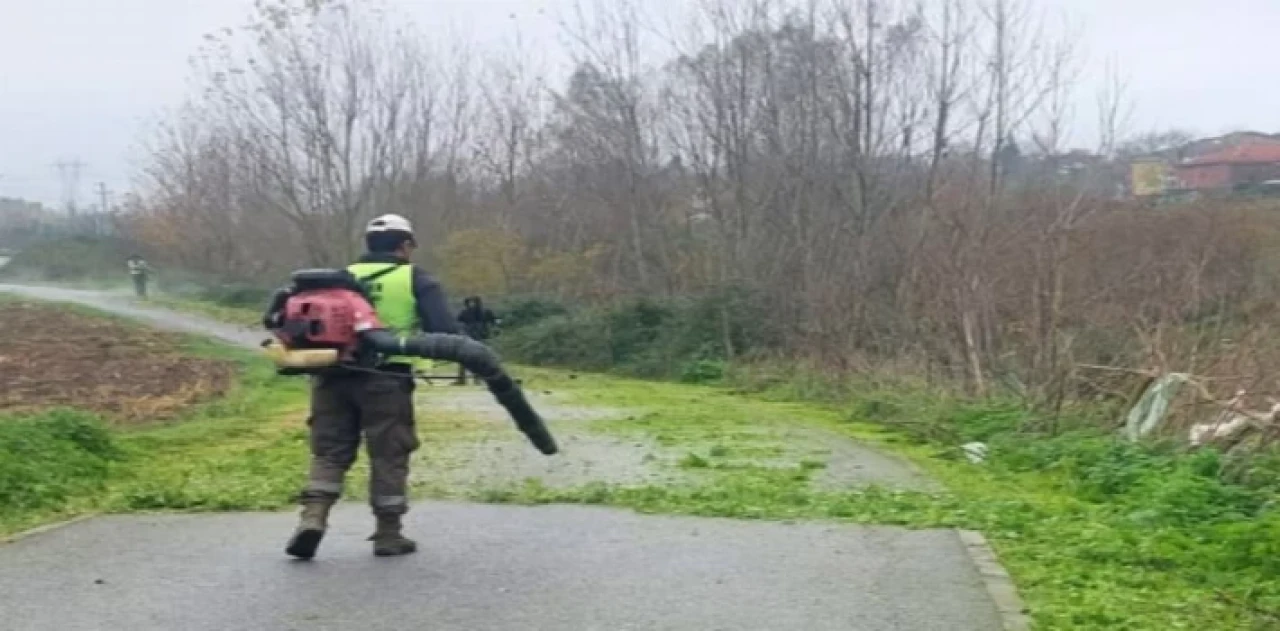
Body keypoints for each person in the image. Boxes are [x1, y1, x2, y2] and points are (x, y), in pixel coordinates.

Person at [287, 213, 460, 559]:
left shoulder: (340, 278)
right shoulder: (415, 278)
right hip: (386, 380)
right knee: (389, 452)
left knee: (330, 452)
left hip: (331, 376)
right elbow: (443, 329)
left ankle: (313, 518)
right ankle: (388, 534)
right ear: (405, 245)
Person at [455, 296, 500, 385]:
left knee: (467, 358)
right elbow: (494, 321)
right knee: (474, 358)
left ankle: (467, 379)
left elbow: (458, 322)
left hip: (472, 337)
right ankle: (472, 379)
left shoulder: (466, 312)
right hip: (477, 337)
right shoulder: (484, 311)